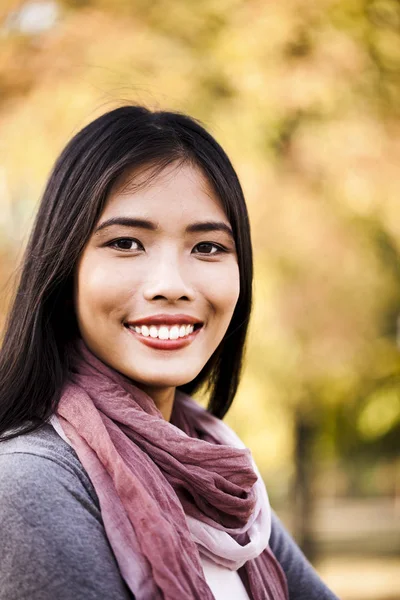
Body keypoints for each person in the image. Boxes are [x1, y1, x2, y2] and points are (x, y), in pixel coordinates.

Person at [0, 106, 338, 600]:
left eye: (207, 248)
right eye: (126, 242)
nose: (170, 286)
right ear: (64, 269)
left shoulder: (220, 477)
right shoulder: (31, 483)